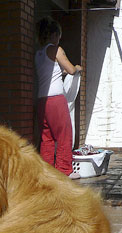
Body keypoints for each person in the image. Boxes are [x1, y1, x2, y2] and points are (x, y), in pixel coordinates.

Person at [35, 16, 82, 179]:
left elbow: (51, 72)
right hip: (55, 99)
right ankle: (64, 169)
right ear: (54, 35)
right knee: (64, 133)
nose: (59, 39)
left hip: (42, 101)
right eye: (59, 36)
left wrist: (61, 71)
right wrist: (76, 68)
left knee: (46, 137)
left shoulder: (39, 54)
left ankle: (47, 172)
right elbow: (70, 69)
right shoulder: (56, 49)